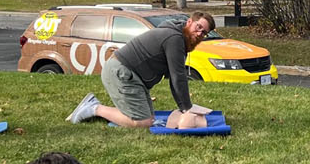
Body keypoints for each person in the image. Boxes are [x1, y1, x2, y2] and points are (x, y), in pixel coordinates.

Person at [67, 11, 214, 128]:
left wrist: (184, 107)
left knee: (149, 117)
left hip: (131, 76)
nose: (200, 33)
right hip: (121, 73)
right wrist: (187, 108)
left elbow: (174, 78)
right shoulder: (175, 39)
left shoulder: (178, 36)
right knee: (142, 123)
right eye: (198, 27)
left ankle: (98, 108)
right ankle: (94, 108)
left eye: (204, 32)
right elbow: (178, 77)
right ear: (189, 22)